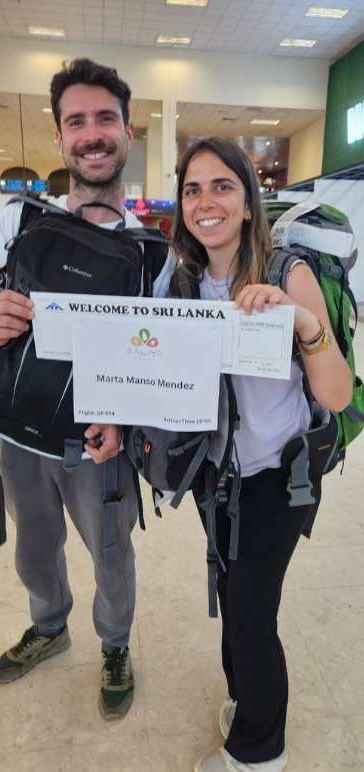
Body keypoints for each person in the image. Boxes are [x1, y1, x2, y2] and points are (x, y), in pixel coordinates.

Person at [0, 58, 172, 720]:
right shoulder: (16, 223)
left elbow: (163, 362)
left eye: (104, 118)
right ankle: (49, 627)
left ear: (127, 132)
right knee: (32, 549)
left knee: (111, 556)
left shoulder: (155, 256)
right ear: (59, 138)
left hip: (99, 452)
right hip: (19, 437)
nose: (91, 133)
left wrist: (132, 421)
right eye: (75, 121)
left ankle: (114, 645)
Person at [170, 137, 352, 771]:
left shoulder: (286, 271)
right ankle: (247, 702)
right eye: (193, 189)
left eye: (223, 186)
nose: (206, 201)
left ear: (249, 202)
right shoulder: (184, 280)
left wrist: (303, 324)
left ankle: (258, 754)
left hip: (279, 480)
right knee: (231, 593)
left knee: (250, 614)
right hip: (216, 478)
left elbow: (336, 390)